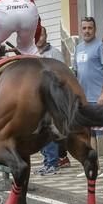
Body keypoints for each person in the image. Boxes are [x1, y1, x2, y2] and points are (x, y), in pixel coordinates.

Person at [73, 16, 103, 175]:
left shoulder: (100, 47)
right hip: (84, 98)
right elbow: (75, 72)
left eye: (90, 28)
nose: (87, 31)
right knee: (90, 134)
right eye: (84, 28)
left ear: (95, 30)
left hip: (99, 97)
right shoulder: (78, 48)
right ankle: (93, 166)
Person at [35, 26, 65, 175]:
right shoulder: (31, 53)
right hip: (36, 98)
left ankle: (53, 162)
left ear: (46, 36)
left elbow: (63, 74)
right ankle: (46, 161)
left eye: (42, 35)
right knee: (39, 130)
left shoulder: (55, 53)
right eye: (37, 35)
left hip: (52, 97)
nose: (40, 38)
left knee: (49, 130)